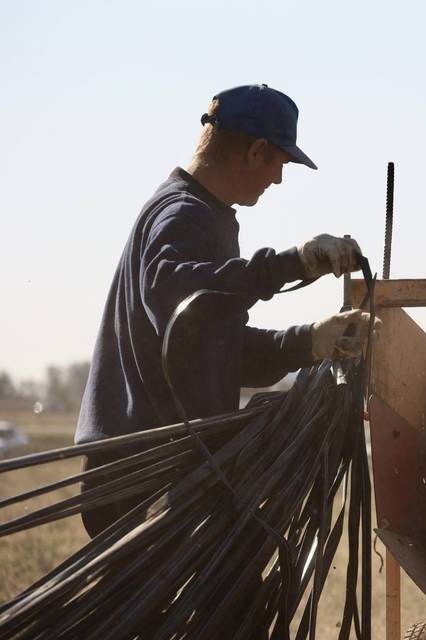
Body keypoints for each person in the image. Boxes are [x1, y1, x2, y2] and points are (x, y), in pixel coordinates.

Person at [75, 84, 378, 537]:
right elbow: (178, 302)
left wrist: (311, 339)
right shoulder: (182, 214)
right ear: (256, 151)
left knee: (231, 602)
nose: (277, 179)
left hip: (163, 465)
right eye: (279, 162)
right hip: (141, 469)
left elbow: (217, 351)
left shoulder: (205, 216)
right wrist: (295, 261)